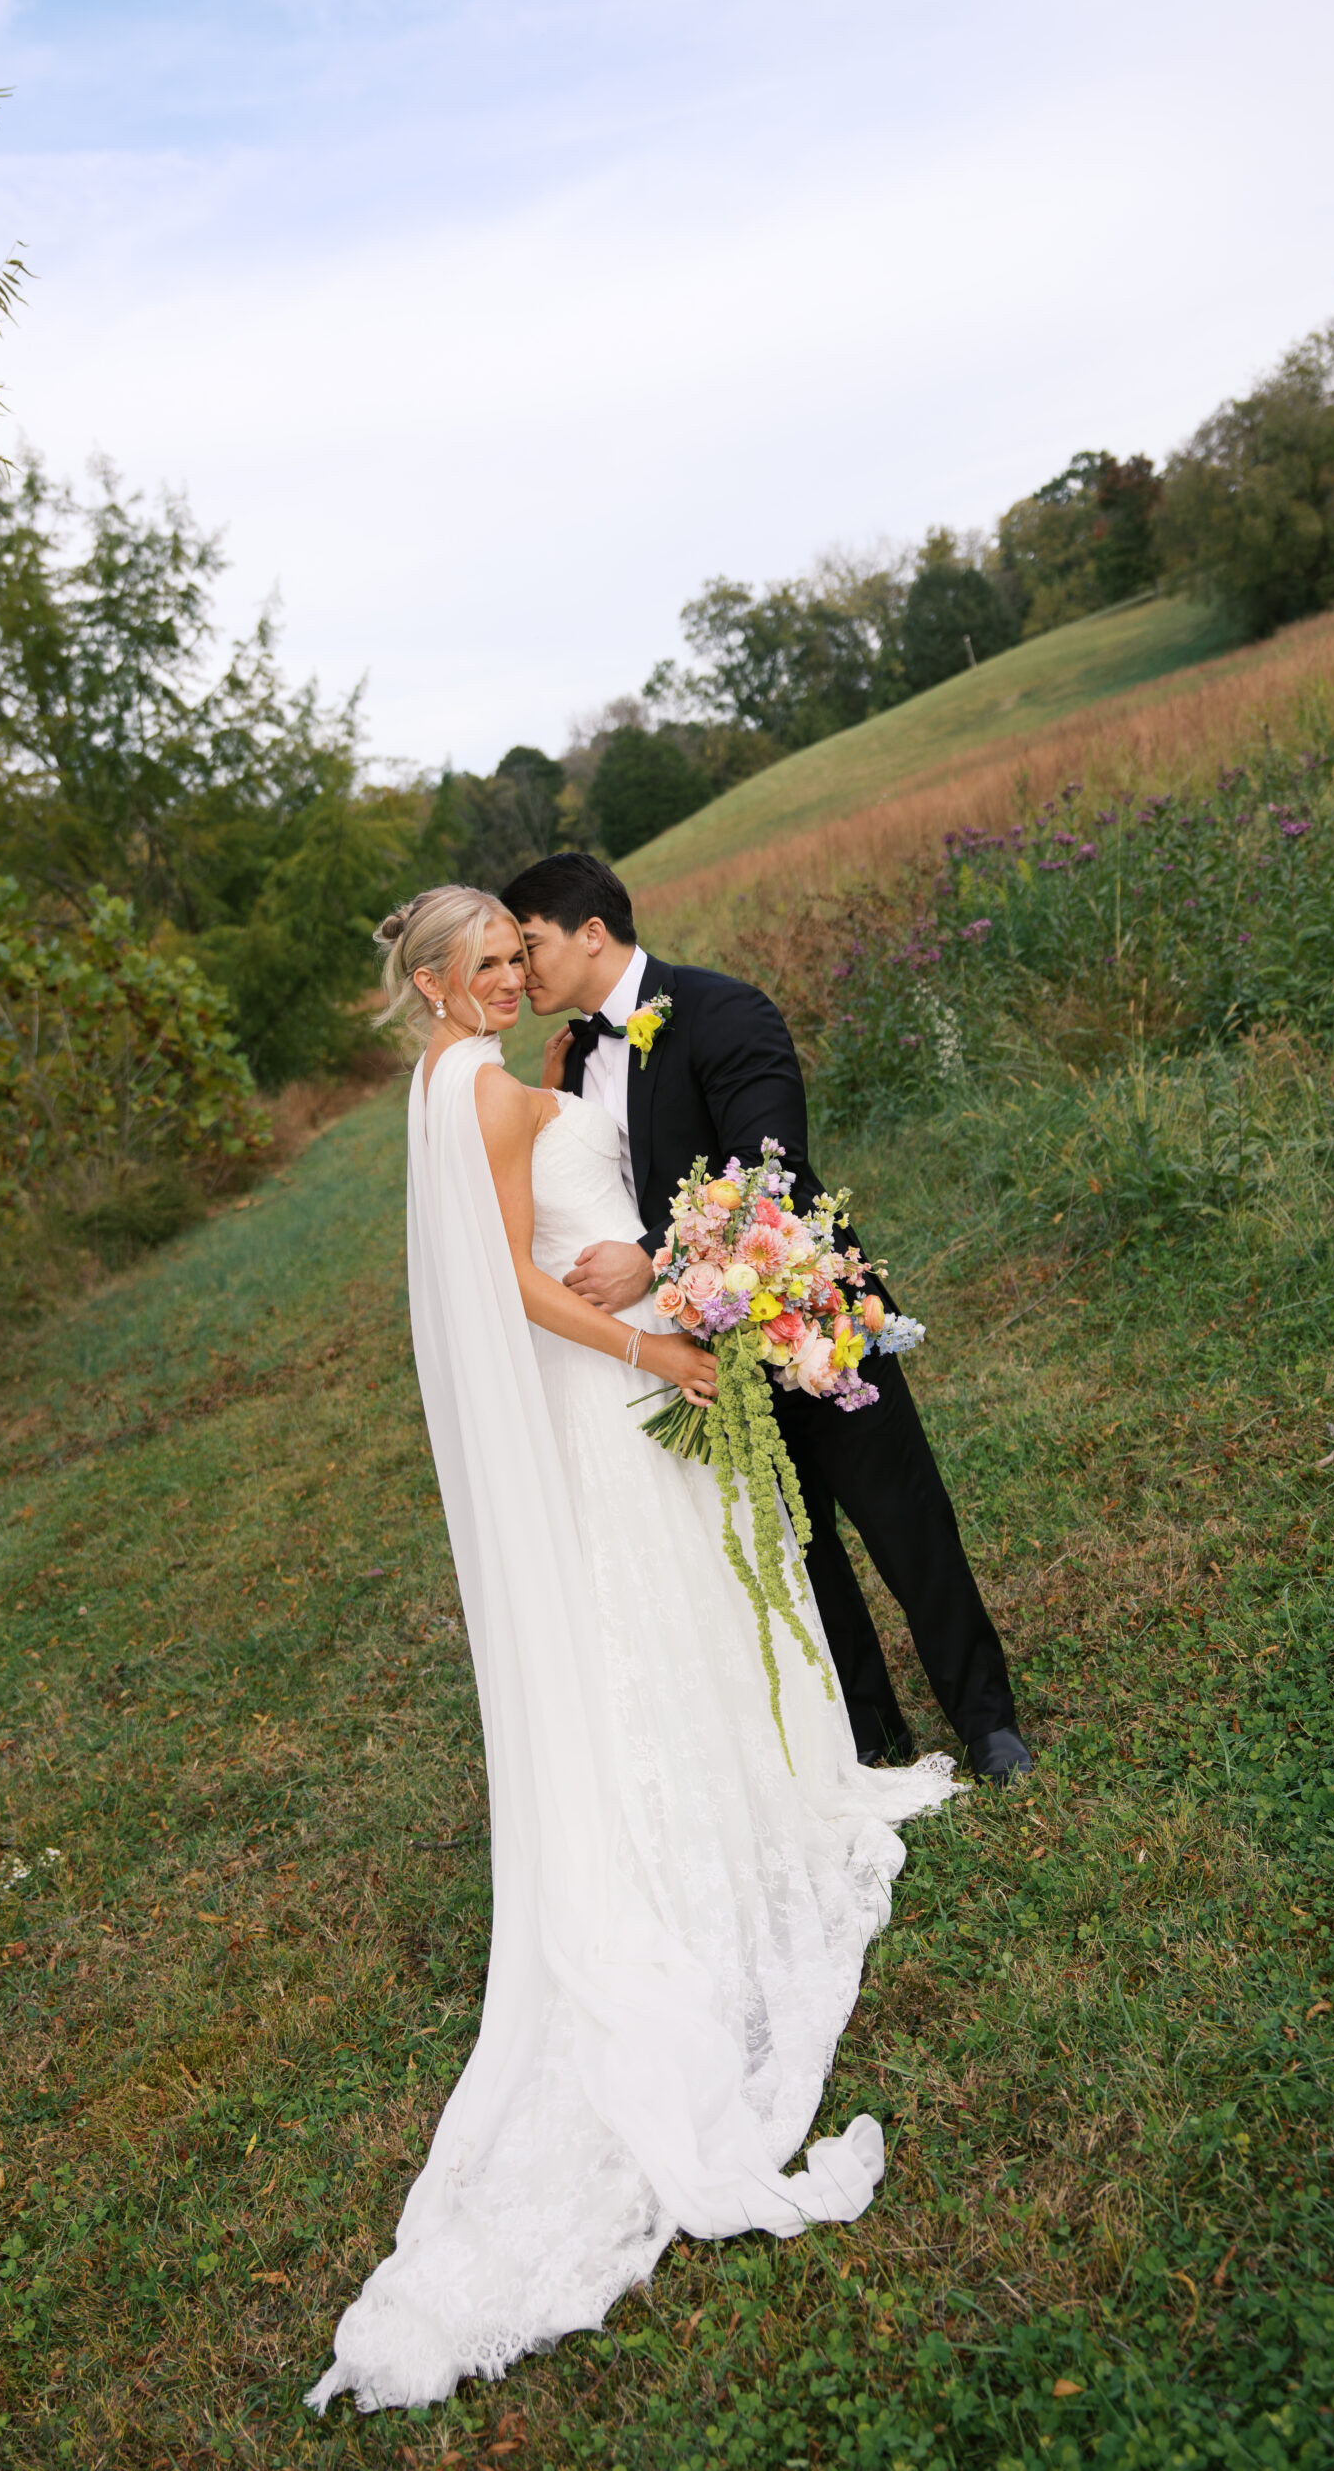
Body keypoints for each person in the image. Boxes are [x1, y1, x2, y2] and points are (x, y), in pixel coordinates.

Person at [306, 885, 955, 2417]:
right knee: (660, 1608)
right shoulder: (482, 1086)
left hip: (615, 1363)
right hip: (604, 1383)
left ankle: (770, 1769)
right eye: (489, 963)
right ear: (445, 983)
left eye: (517, 954)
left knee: (686, 1606)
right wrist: (656, 1340)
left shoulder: (462, 1078)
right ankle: (721, 1819)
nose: (515, 976)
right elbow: (512, 1282)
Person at [499, 850, 1032, 1786]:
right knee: (794, 1538)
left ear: (591, 933)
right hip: (695, 1348)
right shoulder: (573, 1054)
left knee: (902, 1518)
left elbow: (767, 1169)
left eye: (529, 945)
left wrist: (652, 1257)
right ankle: (867, 1729)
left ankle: (986, 1722)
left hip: (804, 1308)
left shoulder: (724, 1010)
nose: (520, 969)